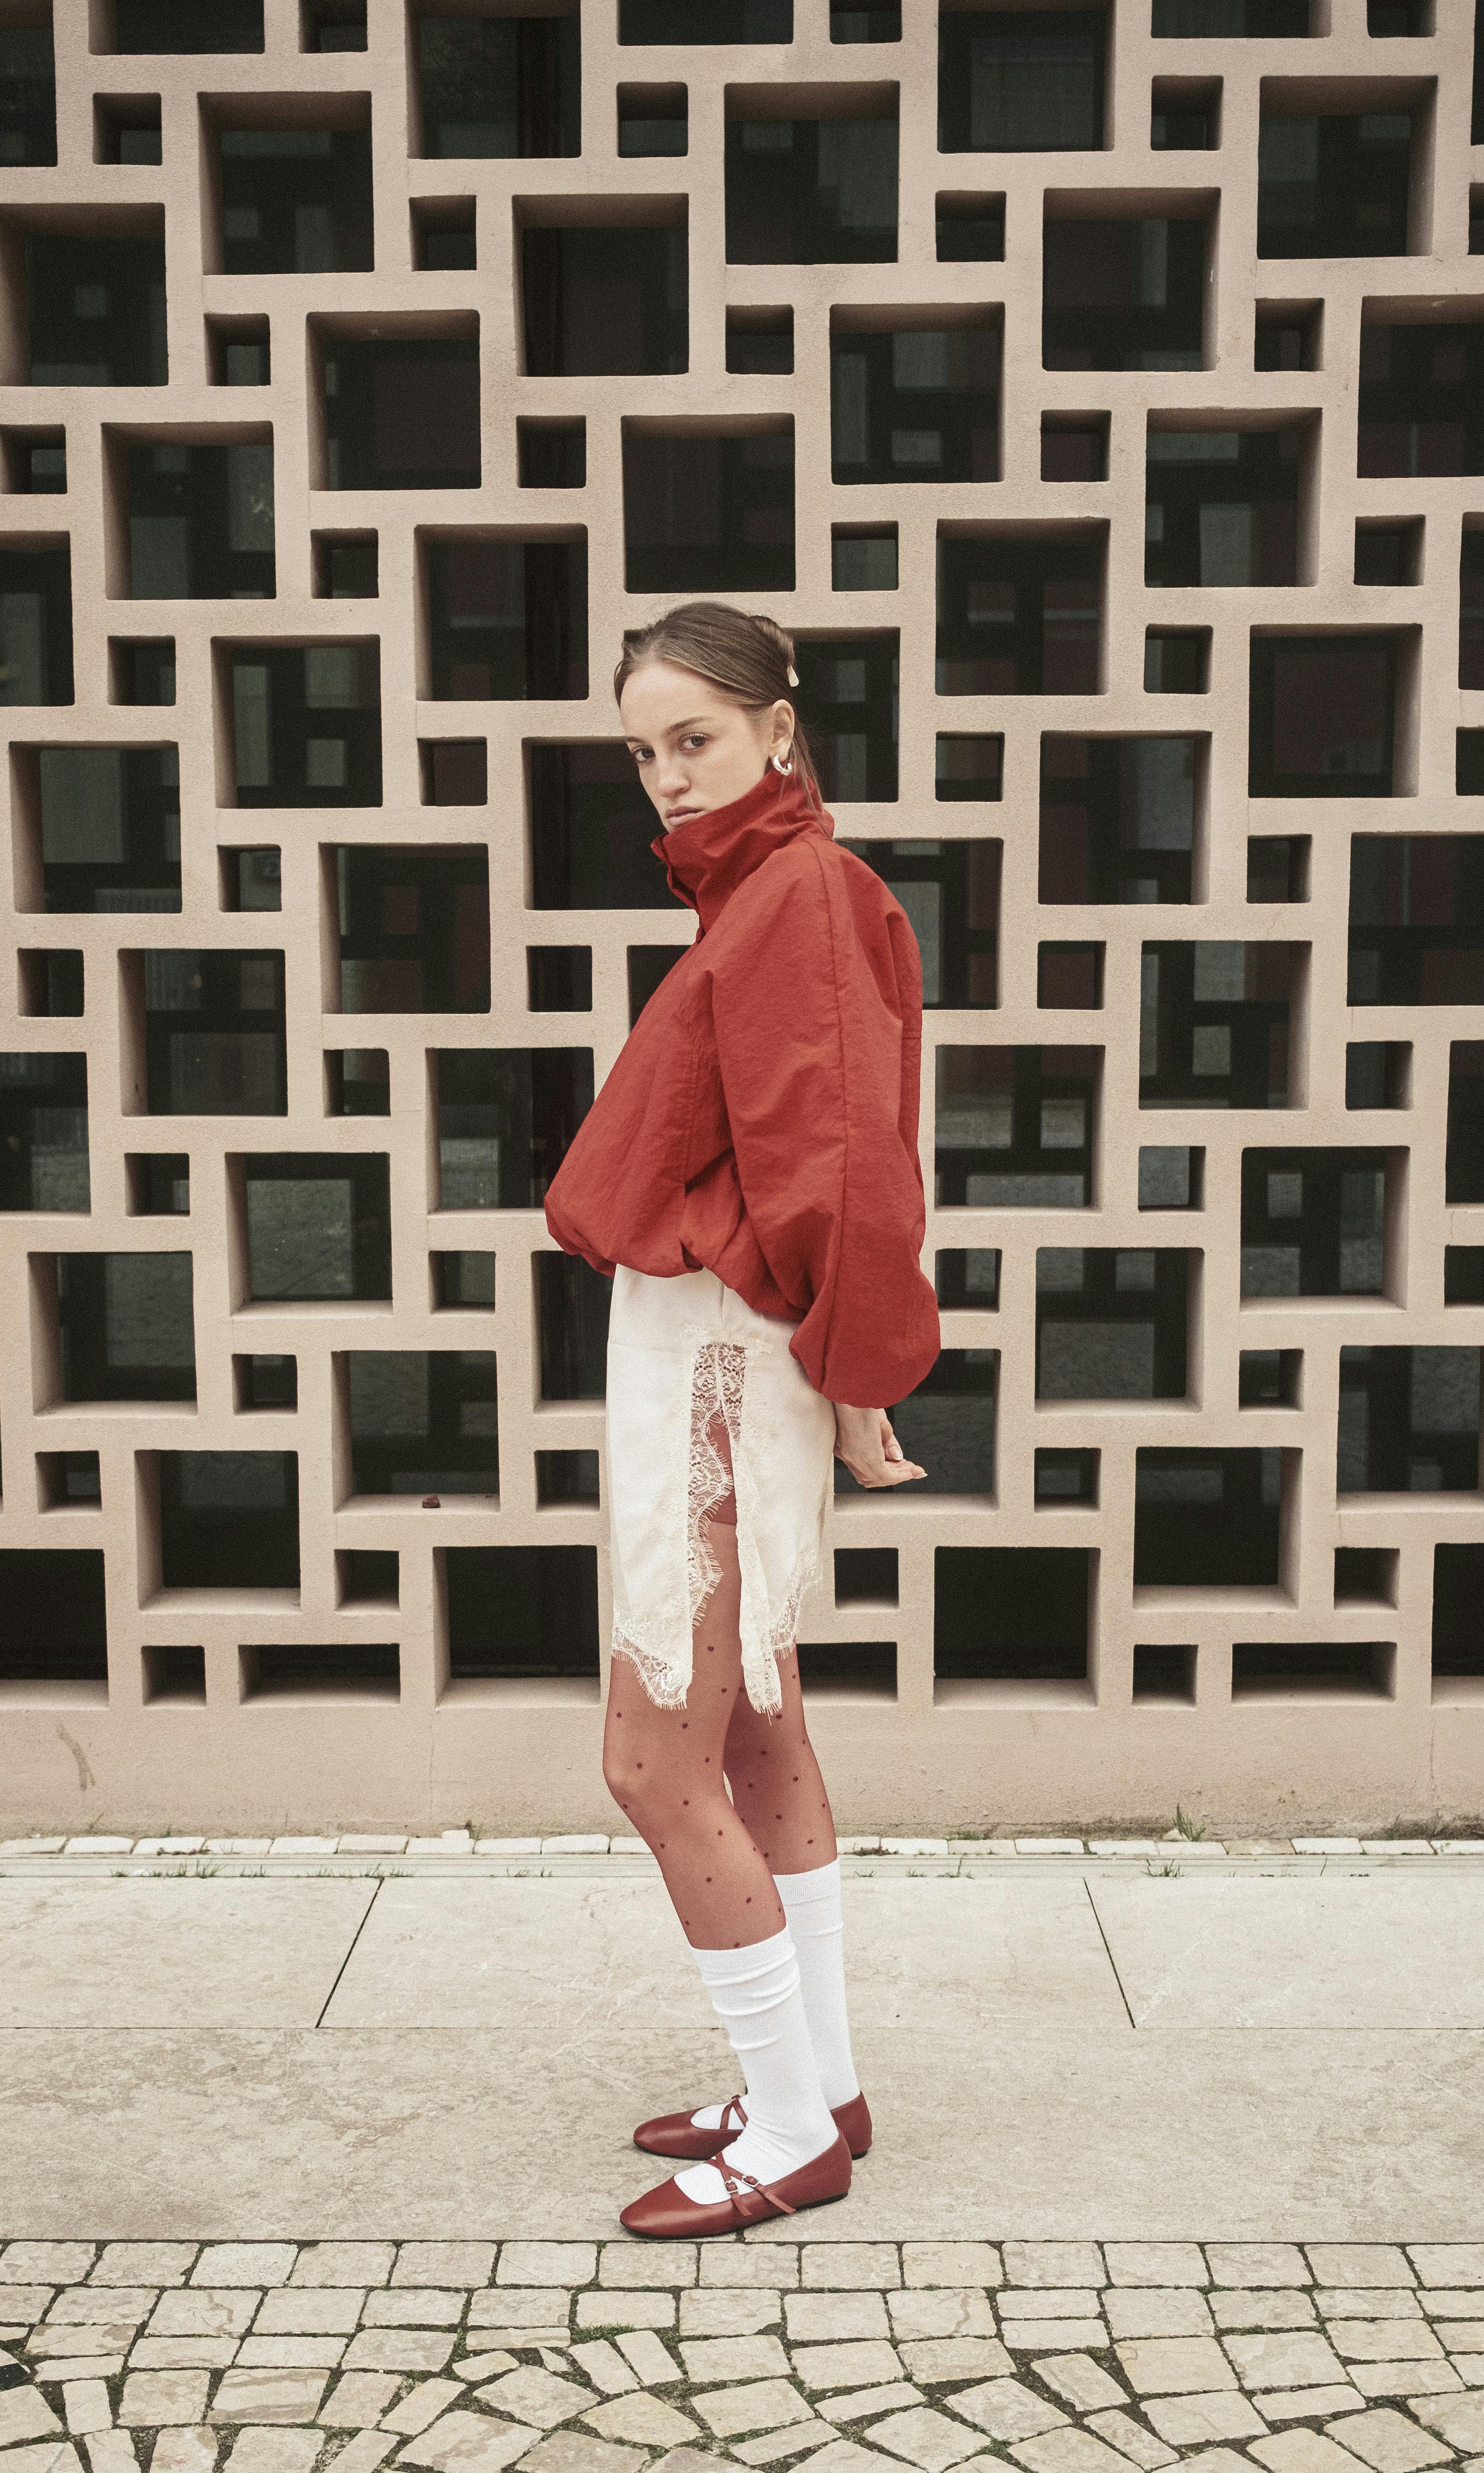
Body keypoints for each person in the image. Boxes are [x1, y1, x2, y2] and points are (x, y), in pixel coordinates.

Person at [543, 601, 940, 2238]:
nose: (667, 779)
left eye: (692, 739)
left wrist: (855, 1385)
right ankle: (819, 2087)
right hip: (720, 1348)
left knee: (652, 1755)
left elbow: (846, 1165)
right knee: (756, 1719)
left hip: (718, 1362)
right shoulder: (776, 893)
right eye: (642, 753)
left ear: (782, 727)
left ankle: (790, 2134)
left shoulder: (799, 894)